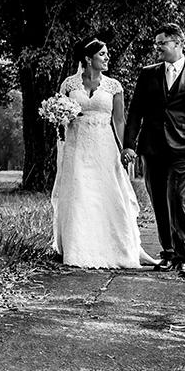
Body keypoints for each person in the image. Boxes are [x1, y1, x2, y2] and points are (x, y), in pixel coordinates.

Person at [122, 23, 185, 278]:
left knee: (176, 198)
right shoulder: (147, 74)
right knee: (159, 201)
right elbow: (135, 112)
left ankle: (183, 257)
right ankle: (167, 252)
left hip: (184, 148)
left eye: (162, 43)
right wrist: (129, 145)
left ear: (177, 43)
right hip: (152, 147)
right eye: (157, 43)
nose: (158, 48)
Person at [51, 38, 159, 268]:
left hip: (103, 145)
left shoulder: (114, 86)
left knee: (108, 193)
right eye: (102, 54)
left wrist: (125, 148)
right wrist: (60, 117)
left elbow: (119, 121)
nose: (107, 57)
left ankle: (122, 247)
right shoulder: (68, 85)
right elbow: (61, 121)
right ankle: (78, 247)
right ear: (88, 59)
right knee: (80, 193)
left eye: (107, 53)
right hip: (76, 145)